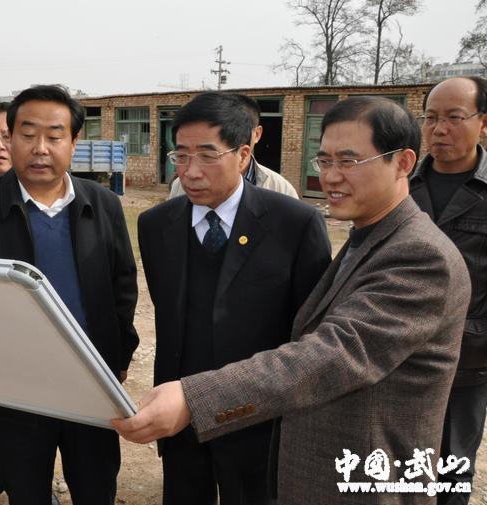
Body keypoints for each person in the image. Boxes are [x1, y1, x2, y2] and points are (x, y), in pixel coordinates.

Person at [114, 96, 471, 505]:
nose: (330, 177)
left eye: (349, 161)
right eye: (325, 161)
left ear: (403, 163)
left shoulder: (420, 256)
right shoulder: (369, 238)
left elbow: (334, 352)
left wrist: (194, 399)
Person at [0, 84, 139, 505]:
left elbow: (123, 285)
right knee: (26, 489)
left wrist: (118, 356)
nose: (40, 148)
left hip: (89, 382)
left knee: (96, 487)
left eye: (54, 135)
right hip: (16, 390)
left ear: (74, 141)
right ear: (11, 138)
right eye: (28, 134)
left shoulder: (103, 204)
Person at [138, 91, 331, 505]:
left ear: (243, 155)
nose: (190, 171)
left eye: (207, 156)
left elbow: (311, 332)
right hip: (181, 411)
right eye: (181, 156)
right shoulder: (155, 225)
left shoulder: (294, 224)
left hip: (258, 415)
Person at [410, 76, 487, 504]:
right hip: (397, 358)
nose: (439, 129)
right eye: (431, 118)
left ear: (483, 123)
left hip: (466, 366)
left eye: (454, 118)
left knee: (452, 471)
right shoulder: (402, 185)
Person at [168, 94, 298, 200]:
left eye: (207, 156)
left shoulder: (281, 189)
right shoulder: (179, 187)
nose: (192, 173)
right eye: (181, 156)